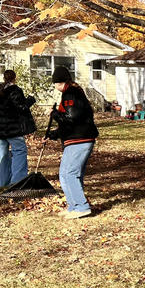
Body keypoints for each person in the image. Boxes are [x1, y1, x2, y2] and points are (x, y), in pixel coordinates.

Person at [46, 66, 98, 219]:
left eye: (55, 83)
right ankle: (73, 206)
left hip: (79, 140)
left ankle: (82, 206)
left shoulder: (70, 94)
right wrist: (52, 135)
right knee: (66, 174)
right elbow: (68, 124)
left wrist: (54, 113)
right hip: (77, 138)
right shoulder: (72, 93)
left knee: (69, 173)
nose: (55, 86)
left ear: (59, 82)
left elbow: (71, 119)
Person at [0, 69, 36, 188]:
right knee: (19, 151)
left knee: (3, 155)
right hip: (13, 128)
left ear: (4, 78)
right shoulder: (15, 91)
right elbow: (21, 107)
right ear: (15, 78)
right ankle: (17, 181)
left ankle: (4, 182)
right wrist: (30, 100)